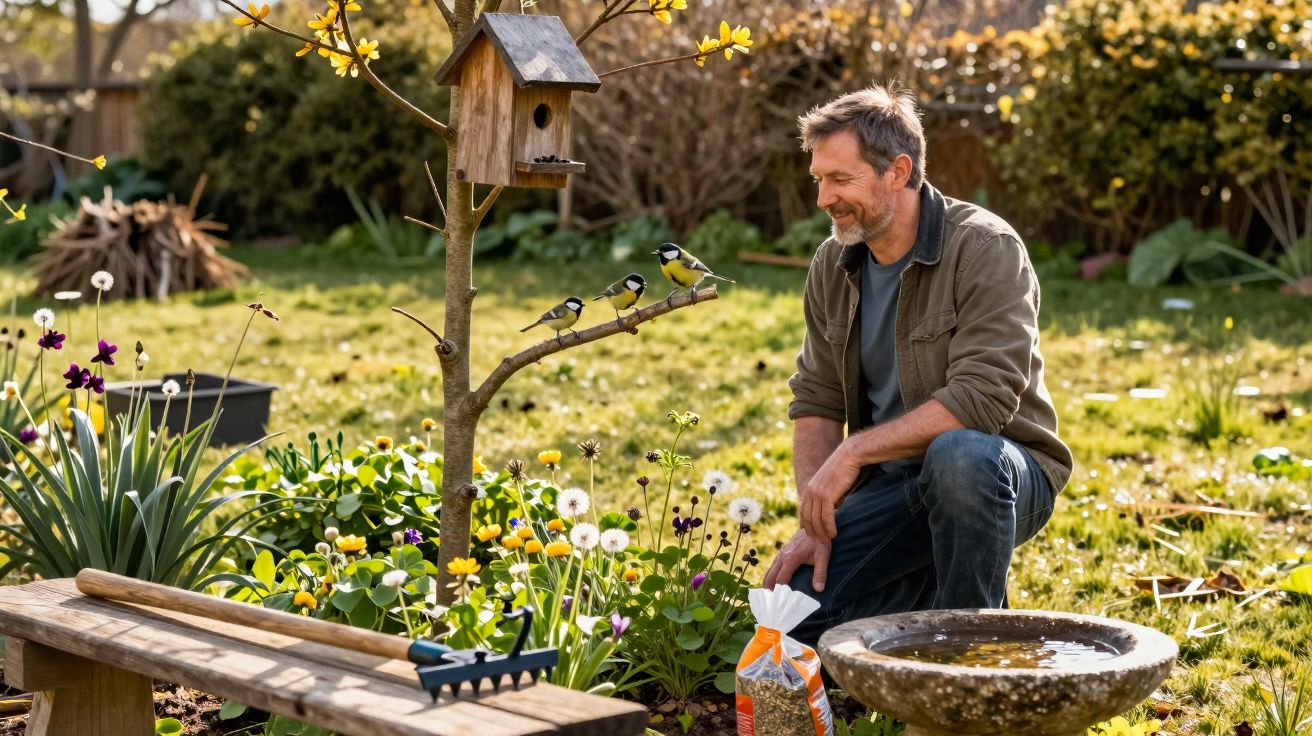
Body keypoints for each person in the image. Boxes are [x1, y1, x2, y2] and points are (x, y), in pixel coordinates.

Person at [762, 82, 1074, 648]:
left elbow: (982, 400)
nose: (822, 199)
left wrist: (853, 452)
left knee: (959, 458)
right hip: (891, 488)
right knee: (786, 631)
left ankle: (971, 658)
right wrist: (817, 519)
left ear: (898, 171)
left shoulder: (984, 248)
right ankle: (932, 598)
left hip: (999, 476)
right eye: (818, 180)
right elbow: (817, 398)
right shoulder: (833, 264)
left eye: (840, 179)